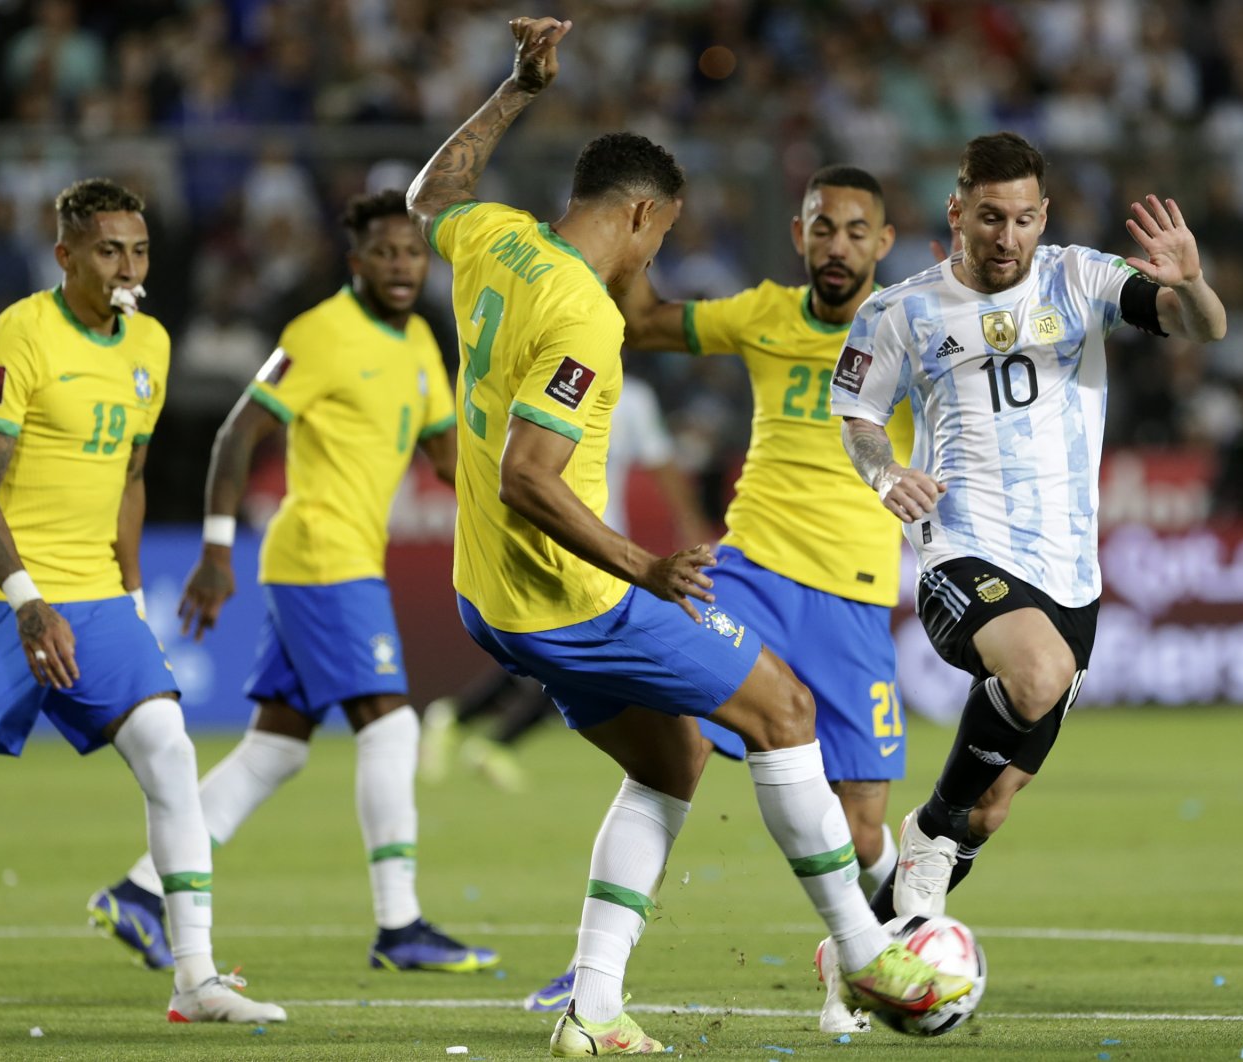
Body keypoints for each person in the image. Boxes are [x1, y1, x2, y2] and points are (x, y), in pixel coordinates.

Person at [406, 16, 969, 1056]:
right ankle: (862, 949)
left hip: (484, 594)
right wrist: (646, 566)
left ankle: (594, 1007)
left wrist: (517, 87)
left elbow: (428, 195)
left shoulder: (494, 243)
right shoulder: (580, 313)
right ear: (643, 212)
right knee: (783, 710)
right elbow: (528, 475)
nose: (658, 252)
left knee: (670, 764)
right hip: (569, 594)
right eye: (660, 233)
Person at [0, 179, 283, 1027]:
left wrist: (132, 595)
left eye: (138, 251)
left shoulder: (151, 345)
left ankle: (195, 979)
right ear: (64, 255)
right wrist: (29, 603)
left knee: (169, 749)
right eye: (108, 251)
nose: (127, 268)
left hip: (98, 598)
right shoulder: (15, 340)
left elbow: (131, 479)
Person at [523, 164, 918, 1035]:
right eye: (823, 227)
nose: (838, 245)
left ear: (883, 244)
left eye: (857, 231)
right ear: (799, 233)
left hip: (851, 599)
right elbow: (640, 324)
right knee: (676, 752)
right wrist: (634, 230)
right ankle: (596, 972)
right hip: (748, 574)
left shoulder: (915, 328)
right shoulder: (766, 314)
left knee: (856, 837)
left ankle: (896, 928)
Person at [86, 190, 497, 975]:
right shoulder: (318, 335)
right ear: (357, 262)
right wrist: (215, 549)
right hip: (320, 555)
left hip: (342, 561)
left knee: (276, 752)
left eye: (414, 252)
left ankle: (139, 894)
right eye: (387, 253)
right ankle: (400, 923)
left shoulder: (418, 346)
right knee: (391, 724)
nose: (404, 265)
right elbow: (240, 429)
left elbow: (449, 461)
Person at [832, 132, 1227, 926]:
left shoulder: (1078, 278)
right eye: (987, 217)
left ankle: (864, 954)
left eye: (1021, 219)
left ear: (1043, 216)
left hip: (1071, 573)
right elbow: (858, 415)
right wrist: (884, 473)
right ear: (956, 211)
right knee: (1037, 674)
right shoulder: (899, 311)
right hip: (962, 545)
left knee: (992, 809)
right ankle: (929, 834)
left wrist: (1193, 284)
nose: (1005, 238)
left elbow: (1202, 328)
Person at [420, 374, 711, 793]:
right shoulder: (551, 378)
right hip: (559, 540)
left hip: (608, 544)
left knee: (556, 654)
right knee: (577, 653)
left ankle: (460, 721)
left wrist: (691, 523)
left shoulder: (634, 398)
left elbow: (661, 463)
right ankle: (492, 740)